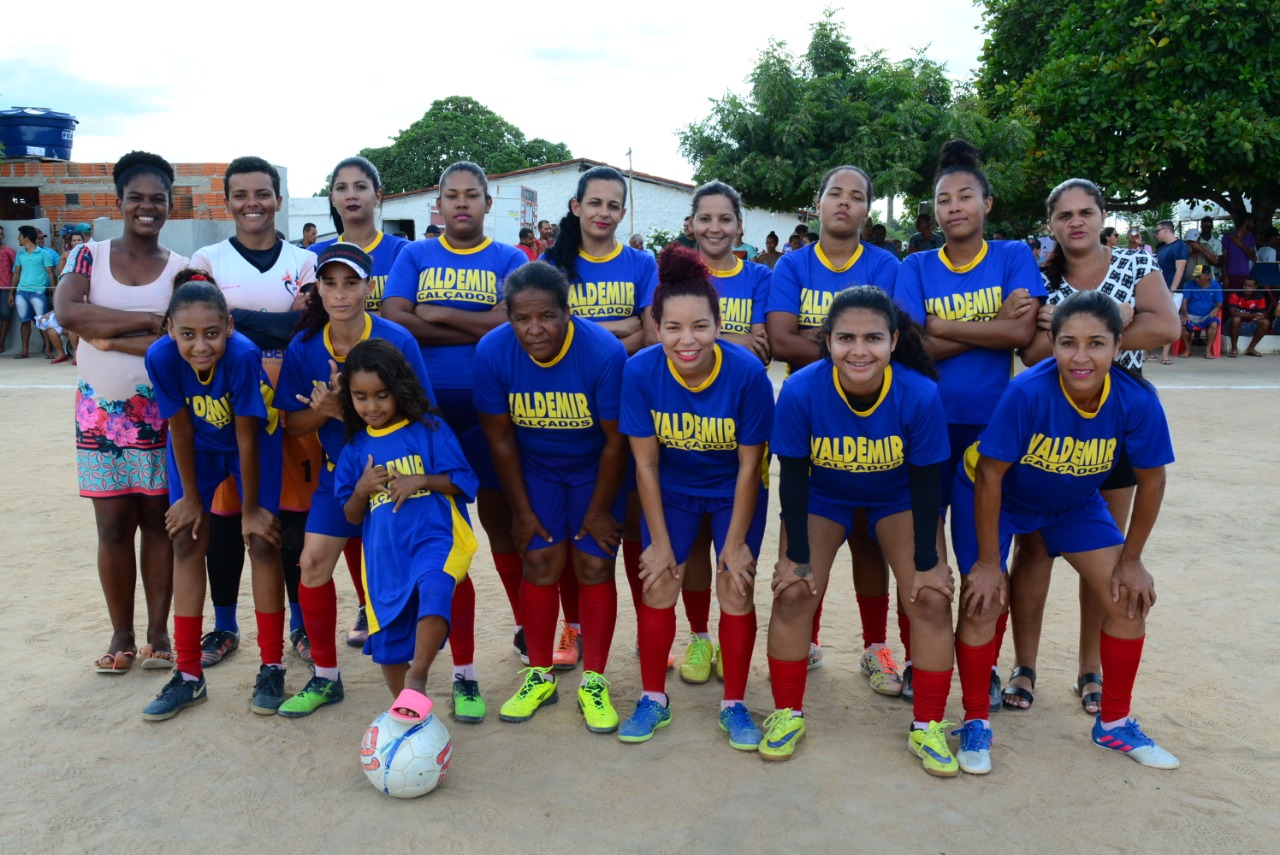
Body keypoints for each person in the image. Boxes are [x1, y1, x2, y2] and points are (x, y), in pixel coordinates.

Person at [950, 290, 1178, 773]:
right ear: (1051, 345)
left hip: (1072, 504)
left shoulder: (1135, 399)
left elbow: (1152, 480)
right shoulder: (1028, 392)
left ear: (1118, 346)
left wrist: (1132, 560)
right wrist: (989, 564)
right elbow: (990, 475)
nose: (1080, 356)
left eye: (1096, 343)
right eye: (1068, 343)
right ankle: (975, 721)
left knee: (1127, 599)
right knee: (984, 598)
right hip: (996, 496)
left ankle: (1113, 724)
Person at [1013, 177, 1179, 714]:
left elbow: (1167, 326)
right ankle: (1025, 665)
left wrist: (1086, 341)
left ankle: (1090, 667)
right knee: (1034, 548)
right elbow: (1032, 353)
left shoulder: (1136, 264)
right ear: (1051, 224)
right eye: (1064, 215)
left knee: (1100, 552)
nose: (1076, 222)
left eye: (1086, 212)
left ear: (1102, 216)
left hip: (1117, 424)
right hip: (1052, 428)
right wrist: (1113, 324)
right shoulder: (1040, 279)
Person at [769, 286, 951, 762]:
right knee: (792, 592)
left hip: (895, 497)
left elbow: (928, 484)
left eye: (873, 337)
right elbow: (792, 477)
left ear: (893, 340)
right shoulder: (802, 388)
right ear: (827, 341)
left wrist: (930, 563)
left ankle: (927, 724)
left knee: (930, 598)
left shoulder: (920, 393)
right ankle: (787, 712)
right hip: (825, 496)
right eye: (845, 337)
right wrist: (798, 558)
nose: (859, 349)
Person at [893, 140, 1044, 709]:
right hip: (927, 429)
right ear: (934, 212)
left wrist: (939, 323)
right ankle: (917, 658)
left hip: (992, 433)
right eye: (943, 200)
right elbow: (910, 351)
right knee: (923, 559)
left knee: (987, 558)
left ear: (986, 202)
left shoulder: (1011, 257)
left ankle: (982, 671)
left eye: (964, 197)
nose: (953, 207)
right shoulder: (916, 265)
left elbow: (1022, 336)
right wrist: (989, 322)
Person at [381, 161, 527, 723]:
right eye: (451, 196)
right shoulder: (414, 255)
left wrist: (434, 311)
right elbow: (396, 317)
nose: (461, 204)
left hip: (491, 412)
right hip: (427, 418)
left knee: (500, 527)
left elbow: (511, 321)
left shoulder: (509, 260)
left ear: (489, 204)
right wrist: (475, 320)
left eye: (472, 195)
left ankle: (522, 627)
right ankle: (462, 669)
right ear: (437, 206)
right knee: (448, 544)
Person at [617, 244, 774, 749]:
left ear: (719, 322)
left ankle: (734, 704)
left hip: (734, 490)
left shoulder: (747, 374)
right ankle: (652, 699)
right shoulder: (640, 371)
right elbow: (645, 462)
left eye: (700, 326)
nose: (688, 340)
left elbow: (751, 464)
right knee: (658, 580)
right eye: (673, 328)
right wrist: (660, 544)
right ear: (656, 326)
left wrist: (734, 543)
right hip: (673, 490)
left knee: (735, 583)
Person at [273, 244, 433, 717]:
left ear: (369, 287)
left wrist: (353, 410)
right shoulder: (304, 348)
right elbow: (291, 425)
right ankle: (325, 676)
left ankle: (442, 672)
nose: (339, 294)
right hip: (337, 477)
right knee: (312, 564)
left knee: (419, 573)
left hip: (395, 478)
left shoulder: (397, 340)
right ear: (316, 289)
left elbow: (423, 413)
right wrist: (321, 410)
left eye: (350, 283)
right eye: (329, 283)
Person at [473, 262, 629, 733]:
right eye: (521, 318)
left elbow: (615, 442)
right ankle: (539, 673)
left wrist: (600, 508)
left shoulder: (603, 352)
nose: (534, 329)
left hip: (594, 469)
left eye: (546, 317)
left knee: (595, 562)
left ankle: (595, 680)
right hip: (536, 468)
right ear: (508, 316)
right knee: (539, 560)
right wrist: (521, 511)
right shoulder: (493, 352)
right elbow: (499, 440)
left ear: (568, 311)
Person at [766, 164, 902, 682]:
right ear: (818, 202)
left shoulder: (886, 265)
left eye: (857, 197)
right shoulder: (794, 265)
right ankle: (812, 639)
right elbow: (779, 339)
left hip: (876, 418)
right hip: (811, 417)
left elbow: (891, 342)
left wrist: (818, 337)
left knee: (869, 537)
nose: (845, 203)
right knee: (808, 531)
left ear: (868, 210)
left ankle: (875, 646)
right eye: (835, 194)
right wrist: (853, 354)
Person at [55, 151, 188, 673]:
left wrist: (106, 336)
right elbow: (68, 312)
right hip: (99, 416)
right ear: (120, 202)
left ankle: (158, 635)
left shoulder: (182, 270)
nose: (147, 207)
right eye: (137, 197)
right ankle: (121, 634)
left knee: (159, 525)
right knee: (112, 527)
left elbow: (180, 340)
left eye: (158, 199)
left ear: (171, 206)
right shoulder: (86, 256)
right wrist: (148, 320)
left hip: (161, 414)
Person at [190, 157, 319, 673]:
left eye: (262, 193)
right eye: (241, 194)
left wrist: (233, 320)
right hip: (226, 412)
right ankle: (225, 625)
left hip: (290, 410)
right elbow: (198, 320)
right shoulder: (207, 257)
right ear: (227, 202)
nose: (252, 203)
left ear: (278, 200)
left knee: (289, 522)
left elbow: (308, 325)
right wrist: (273, 325)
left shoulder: (304, 260)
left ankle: (300, 626)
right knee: (224, 523)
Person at [140, 274, 286, 720]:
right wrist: (189, 500)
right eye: (187, 334)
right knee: (185, 537)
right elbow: (180, 427)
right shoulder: (161, 357)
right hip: (197, 447)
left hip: (253, 445)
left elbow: (246, 434)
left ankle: (272, 665)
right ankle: (187, 675)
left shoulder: (242, 355)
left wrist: (250, 509)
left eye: (211, 333)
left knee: (262, 541)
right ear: (170, 329)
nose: (200, 345)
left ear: (229, 326)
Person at [542, 165, 659, 668]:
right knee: (571, 534)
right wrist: (623, 327)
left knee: (628, 527)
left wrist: (589, 336)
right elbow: (545, 339)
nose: (604, 213)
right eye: (595, 203)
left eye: (614, 205)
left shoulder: (641, 263)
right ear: (576, 207)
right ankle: (573, 631)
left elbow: (652, 337)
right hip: (564, 414)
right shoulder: (552, 265)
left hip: (625, 411)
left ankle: (641, 629)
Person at [335, 338, 478, 722]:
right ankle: (410, 711)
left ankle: (418, 677)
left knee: (435, 586)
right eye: (361, 397)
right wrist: (362, 489)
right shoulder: (353, 448)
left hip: (434, 537)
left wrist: (422, 480)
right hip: (384, 556)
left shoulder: (429, 429)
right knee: (390, 641)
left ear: (398, 389)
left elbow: (465, 481)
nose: (372, 407)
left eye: (381, 395)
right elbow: (350, 516)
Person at [667, 180, 771, 683]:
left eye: (725, 218)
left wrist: (720, 343)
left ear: (740, 226)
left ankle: (730, 636)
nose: (714, 227)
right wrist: (732, 336)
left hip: (740, 422)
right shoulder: (673, 278)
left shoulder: (758, 277)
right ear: (691, 224)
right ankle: (699, 638)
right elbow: (659, 335)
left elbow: (766, 346)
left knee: (735, 549)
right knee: (692, 550)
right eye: (705, 218)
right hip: (683, 426)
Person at [311, 156, 411, 314]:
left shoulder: (404, 252)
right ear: (333, 199)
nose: (351, 195)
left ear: (378, 196)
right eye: (342, 188)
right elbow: (311, 316)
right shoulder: (314, 254)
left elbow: (408, 315)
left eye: (360, 187)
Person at [11, 226, 55, 359]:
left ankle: (48, 349)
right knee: (24, 322)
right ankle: (25, 351)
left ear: (26, 237)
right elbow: (16, 273)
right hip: (21, 292)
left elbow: (50, 274)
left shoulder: (44, 254)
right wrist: (11, 293)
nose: (18, 238)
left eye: (20, 235)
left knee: (42, 322)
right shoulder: (20, 254)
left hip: (38, 292)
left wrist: (53, 292)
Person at [1154, 219, 1189, 365]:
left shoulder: (1180, 246)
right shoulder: (1161, 247)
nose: (1156, 234)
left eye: (1157, 231)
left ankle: (1165, 354)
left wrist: (1172, 290)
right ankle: (1150, 352)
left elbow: (1180, 269)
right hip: (1159, 289)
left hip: (1172, 290)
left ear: (1166, 230)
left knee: (1169, 321)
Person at [1177, 264, 1223, 358]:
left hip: (1207, 315)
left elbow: (1219, 303)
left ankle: (1207, 350)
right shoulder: (1190, 284)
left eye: (1199, 276)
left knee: (1214, 324)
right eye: (1195, 276)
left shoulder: (1216, 285)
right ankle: (1188, 348)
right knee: (1182, 325)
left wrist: (1216, 308)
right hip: (1191, 314)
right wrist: (1185, 315)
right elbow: (1184, 301)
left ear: (1208, 276)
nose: (1196, 279)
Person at [1226, 275, 1268, 357]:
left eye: (1250, 286)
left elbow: (1262, 314)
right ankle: (1234, 348)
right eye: (1245, 285)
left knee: (1265, 322)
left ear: (1255, 287)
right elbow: (1232, 313)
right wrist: (1253, 315)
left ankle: (1251, 348)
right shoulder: (1235, 294)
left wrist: (1260, 318)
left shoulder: (1259, 297)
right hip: (1231, 326)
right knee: (1236, 319)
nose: (1246, 288)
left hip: (1249, 325)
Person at [1220, 215, 1257, 294]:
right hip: (1231, 275)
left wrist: (1241, 244)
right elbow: (1224, 258)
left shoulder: (1250, 238)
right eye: (1252, 222)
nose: (1254, 225)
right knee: (1230, 302)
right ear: (1247, 221)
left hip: (1245, 276)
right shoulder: (1228, 236)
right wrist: (1225, 276)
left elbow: (1253, 258)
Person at [0, 225, 16, 352]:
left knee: (5, 314)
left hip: (5, 287)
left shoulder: (8, 250)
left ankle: (1, 343)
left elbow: (17, 268)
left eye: (0, 234)